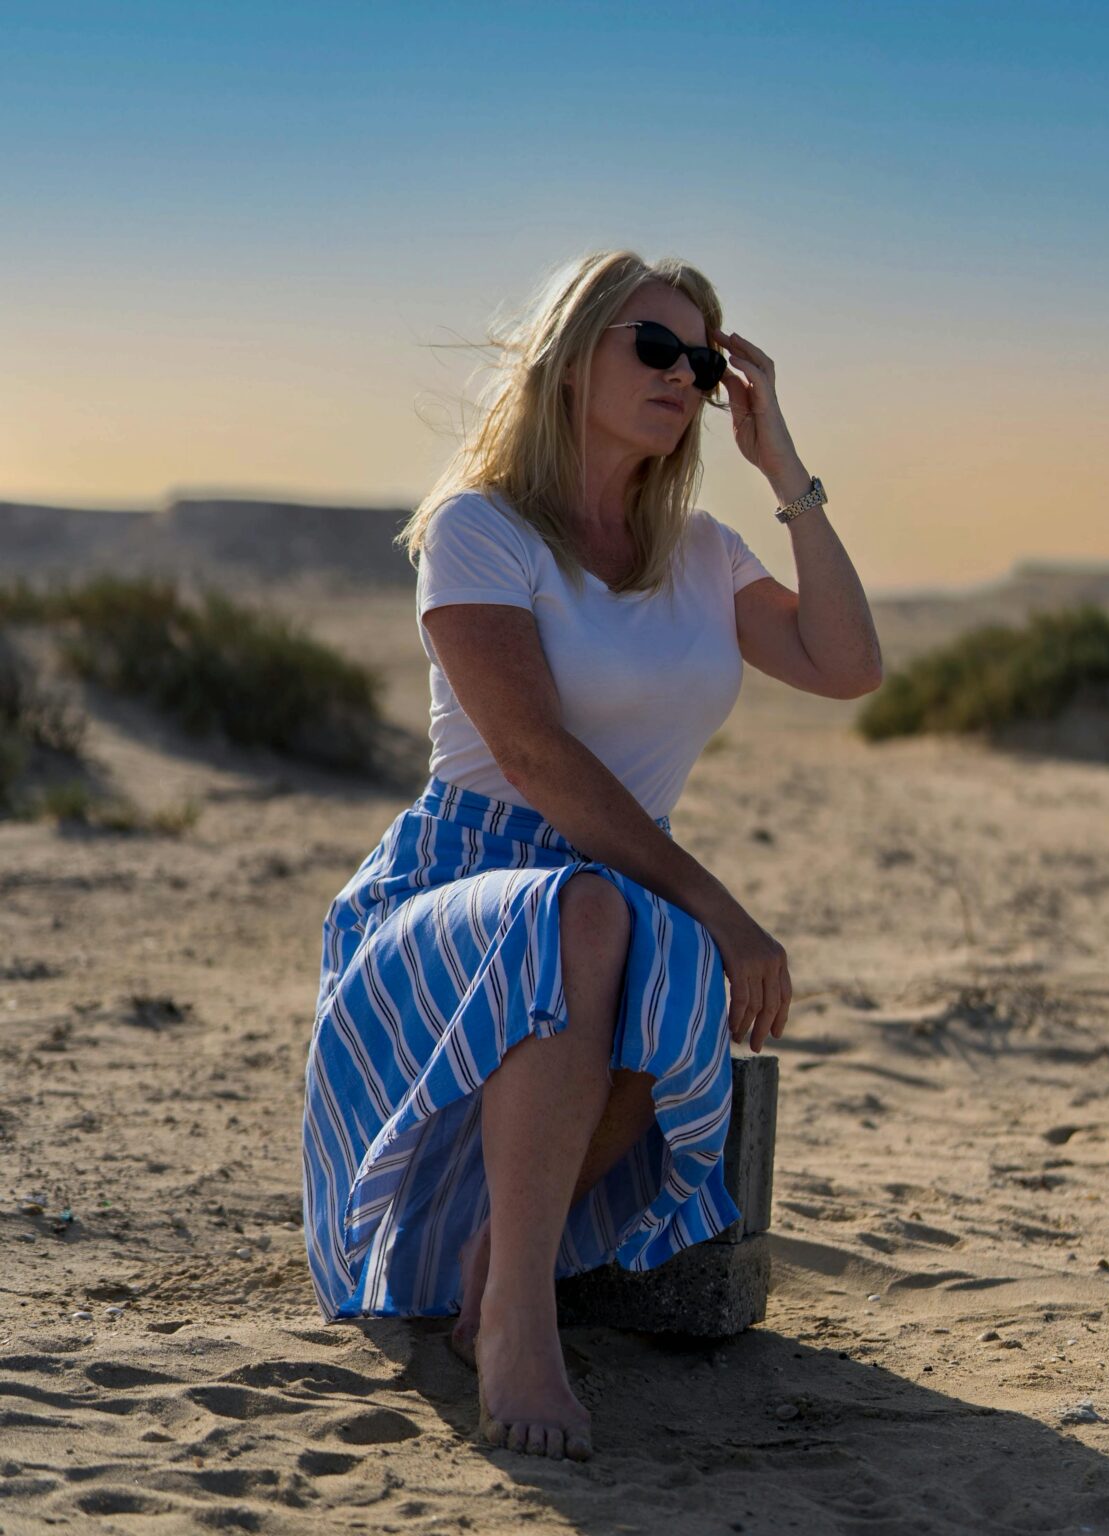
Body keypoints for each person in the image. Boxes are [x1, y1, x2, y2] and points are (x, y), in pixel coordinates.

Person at [301, 249, 883, 1463]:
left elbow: (847, 666)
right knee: (606, 920)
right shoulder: (480, 527)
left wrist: (788, 472)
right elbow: (533, 761)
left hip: (621, 880)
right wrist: (720, 907)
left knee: (638, 937)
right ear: (571, 363)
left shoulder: (704, 551)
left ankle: (488, 1269)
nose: (684, 375)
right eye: (653, 348)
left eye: (703, 360)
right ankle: (518, 1317)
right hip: (457, 884)